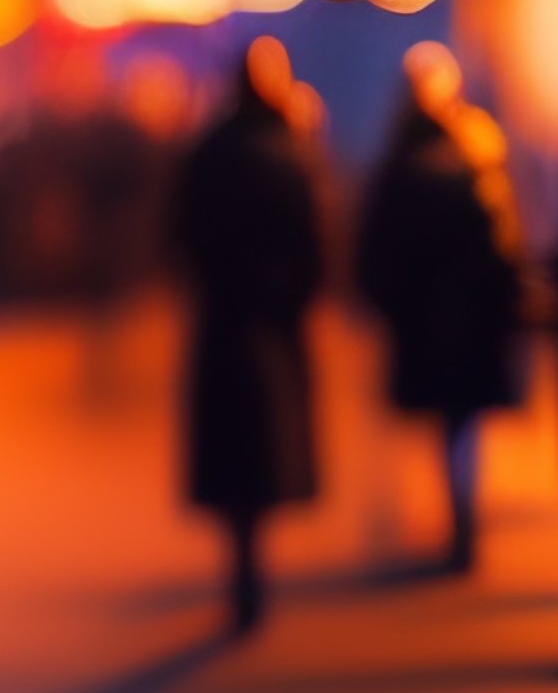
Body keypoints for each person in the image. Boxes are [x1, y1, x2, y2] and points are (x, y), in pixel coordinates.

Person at [174, 35, 325, 633]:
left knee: (233, 450)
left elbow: (181, 235)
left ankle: (242, 570)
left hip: (222, 320)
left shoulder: (209, 152)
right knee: (263, 444)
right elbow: (313, 242)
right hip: (270, 320)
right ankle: (251, 572)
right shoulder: (287, 151)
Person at [356, 41, 526, 572]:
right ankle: (463, 511)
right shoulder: (475, 147)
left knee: (449, 420)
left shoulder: (399, 157)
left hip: (426, 314)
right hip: (470, 311)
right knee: (462, 419)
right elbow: (501, 235)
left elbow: (376, 245)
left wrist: (387, 301)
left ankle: (459, 512)